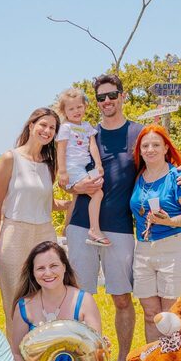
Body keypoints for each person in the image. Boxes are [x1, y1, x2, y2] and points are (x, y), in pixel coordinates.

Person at [65, 74, 181, 361]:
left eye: (112, 95)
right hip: (81, 225)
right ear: (95, 102)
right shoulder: (86, 134)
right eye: (101, 98)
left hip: (121, 229)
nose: (107, 101)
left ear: (123, 96)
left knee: (122, 300)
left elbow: (162, 163)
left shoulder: (140, 135)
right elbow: (66, 171)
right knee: (78, 299)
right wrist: (71, 189)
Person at [0, 241, 102, 361]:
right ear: (33, 273)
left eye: (54, 266)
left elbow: (95, 351)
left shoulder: (83, 301)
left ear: (64, 267)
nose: (48, 273)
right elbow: (17, 353)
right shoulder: (24, 306)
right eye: (41, 268)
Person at [0, 107, 69, 315]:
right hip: (15, 234)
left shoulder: (50, 164)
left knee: (46, 297)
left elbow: (47, 203)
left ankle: (42, 346)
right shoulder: (10, 158)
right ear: (32, 125)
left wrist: (75, 200)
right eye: (43, 125)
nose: (47, 130)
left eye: (52, 128)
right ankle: (15, 347)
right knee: (15, 301)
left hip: (44, 234)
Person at [131, 124, 181, 342]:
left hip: (172, 248)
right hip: (143, 250)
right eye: (145, 145)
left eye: (156, 145)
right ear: (139, 151)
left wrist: (170, 221)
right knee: (151, 314)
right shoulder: (139, 175)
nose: (150, 149)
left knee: (171, 316)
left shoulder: (178, 176)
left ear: (165, 148)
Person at [55, 88, 107, 246]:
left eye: (79, 107)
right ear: (64, 111)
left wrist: (98, 164)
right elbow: (61, 149)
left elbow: (93, 147)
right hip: (72, 167)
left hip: (85, 167)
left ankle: (67, 230)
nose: (76, 111)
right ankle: (94, 229)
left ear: (85, 106)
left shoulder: (87, 126)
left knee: (85, 192)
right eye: (71, 108)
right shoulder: (65, 127)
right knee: (97, 194)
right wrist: (62, 171)